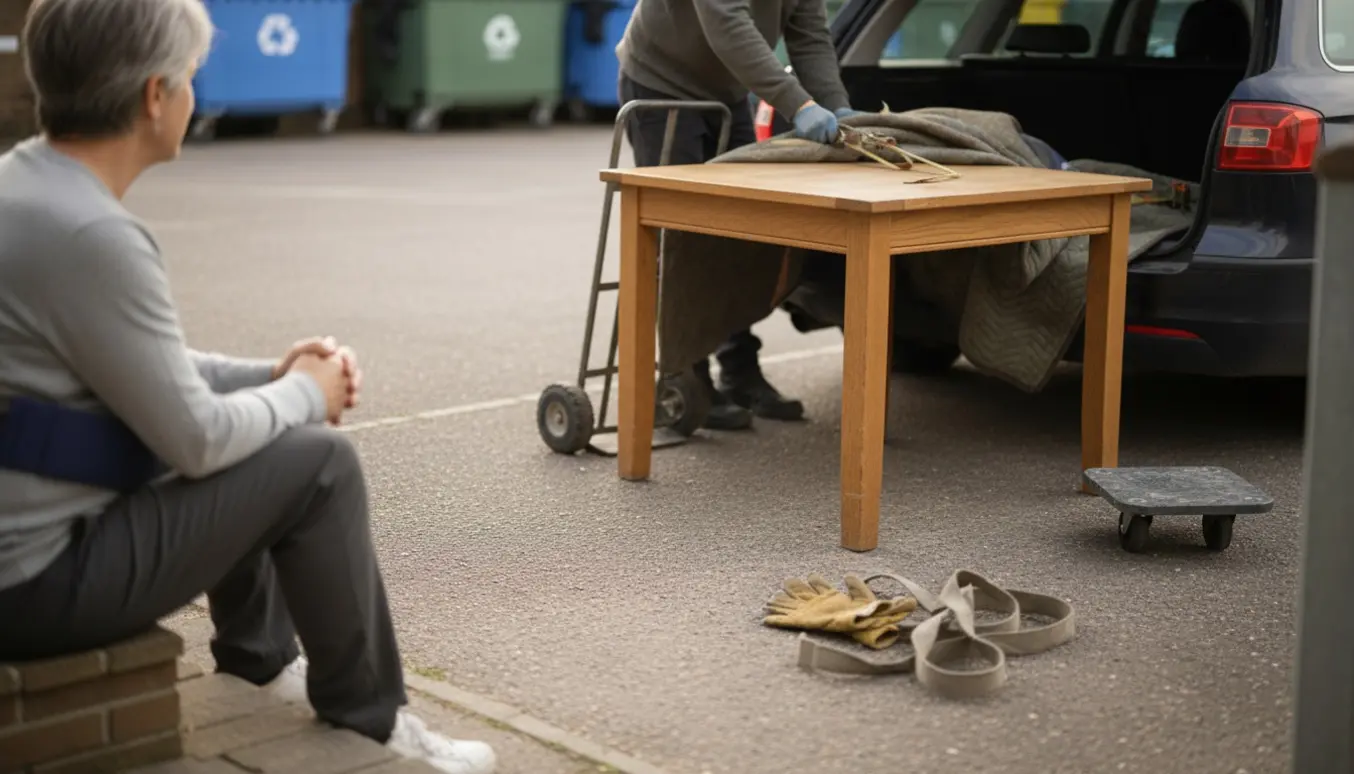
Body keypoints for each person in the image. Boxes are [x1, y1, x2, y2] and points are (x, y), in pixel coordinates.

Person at [0, 1, 494, 772]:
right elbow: (193, 439)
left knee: (260, 426)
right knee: (317, 464)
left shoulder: (26, 187)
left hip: (26, 537)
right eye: (193, 78)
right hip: (30, 585)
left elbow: (143, 372)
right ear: (155, 97)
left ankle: (261, 661)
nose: (196, 94)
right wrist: (306, 394)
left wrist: (271, 374)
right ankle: (370, 720)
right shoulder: (92, 236)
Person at [615, 0, 865, 430]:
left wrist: (835, 103)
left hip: (728, 91)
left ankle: (739, 371)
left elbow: (809, 34)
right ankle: (685, 378)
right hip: (662, 80)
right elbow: (727, 23)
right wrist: (799, 105)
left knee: (739, 241)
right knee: (681, 241)